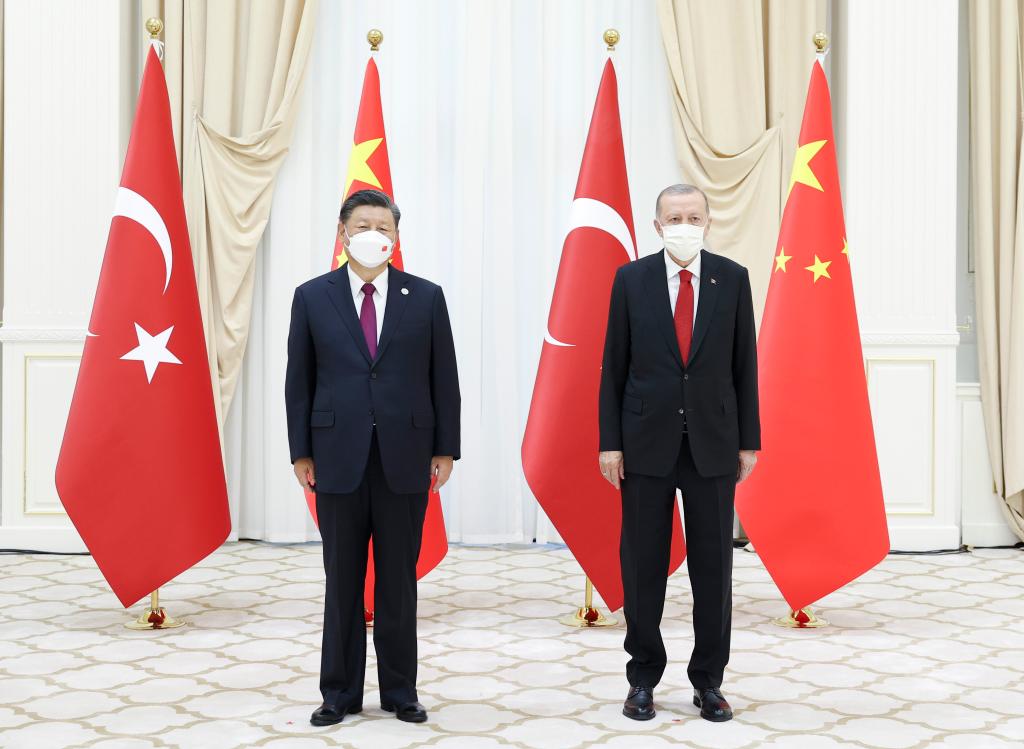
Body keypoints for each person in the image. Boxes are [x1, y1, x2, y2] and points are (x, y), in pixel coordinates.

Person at [285, 189, 461, 726]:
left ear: (396, 237)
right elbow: (299, 380)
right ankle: (338, 693)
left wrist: (445, 447)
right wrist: (301, 451)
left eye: (383, 227)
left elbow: (444, 377)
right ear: (342, 233)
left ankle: (401, 691)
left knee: (398, 582)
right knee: (342, 580)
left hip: (406, 457)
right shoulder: (312, 297)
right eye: (363, 225)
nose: (373, 235)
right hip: (335, 457)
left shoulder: (425, 297)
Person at [598, 184, 760, 723]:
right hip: (644, 443)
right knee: (642, 565)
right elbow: (614, 365)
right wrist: (610, 442)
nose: (684, 225)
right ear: (657, 225)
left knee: (713, 569)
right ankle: (642, 677)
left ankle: (709, 681)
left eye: (693, 217)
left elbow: (745, 364)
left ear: (708, 223)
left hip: (714, 444)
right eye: (674, 218)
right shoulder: (631, 279)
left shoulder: (732, 278)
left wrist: (749, 440)